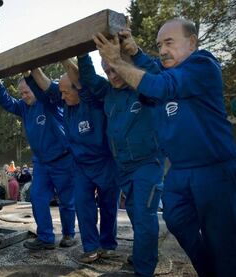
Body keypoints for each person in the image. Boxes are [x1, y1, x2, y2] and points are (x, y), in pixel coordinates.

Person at [94, 18, 236, 276]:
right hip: (179, 171)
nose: (161, 50)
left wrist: (116, 61)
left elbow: (160, 84)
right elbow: (156, 73)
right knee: (176, 220)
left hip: (214, 169)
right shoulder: (168, 70)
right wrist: (135, 52)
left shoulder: (203, 65)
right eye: (159, 44)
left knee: (222, 240)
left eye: (169, 42)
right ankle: (210, 270)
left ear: (192, 42)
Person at [75, 50, 164, 275]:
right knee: (135, 213)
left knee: (144, 217)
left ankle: (143, 270)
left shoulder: (144, 87)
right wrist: (82, 54)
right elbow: (88, 77)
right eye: (107, 71)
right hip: (123, 166)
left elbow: (157, 74)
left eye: (115, 68)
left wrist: (133, 52)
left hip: (148, 164)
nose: (112, 75)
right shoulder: (108, 92)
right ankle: (141, 255)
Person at [25, 65, 120, 263]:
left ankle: (108, 245)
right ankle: (91, 247)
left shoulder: (92, 102)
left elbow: (83, 75)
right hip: (80, 166)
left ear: (79, 89)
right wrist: (30, 72)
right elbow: (47, 91)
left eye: (67, 91)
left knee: (109, 205)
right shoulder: (63, 105)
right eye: (61, 92)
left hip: (105, 163)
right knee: (83, 206)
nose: (63, 96)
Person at [0, 78, 76, 250]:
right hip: (42, 163)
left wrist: (35, 77)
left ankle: (68, 234)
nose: (23, 96)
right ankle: (45, 237)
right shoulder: (23, 107)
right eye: (21, 93)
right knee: (37, 197)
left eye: (27, 92)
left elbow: (52, 90)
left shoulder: (49, 101)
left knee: (66, 200)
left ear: (37, 90)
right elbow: (8, 102)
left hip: (63, 159)